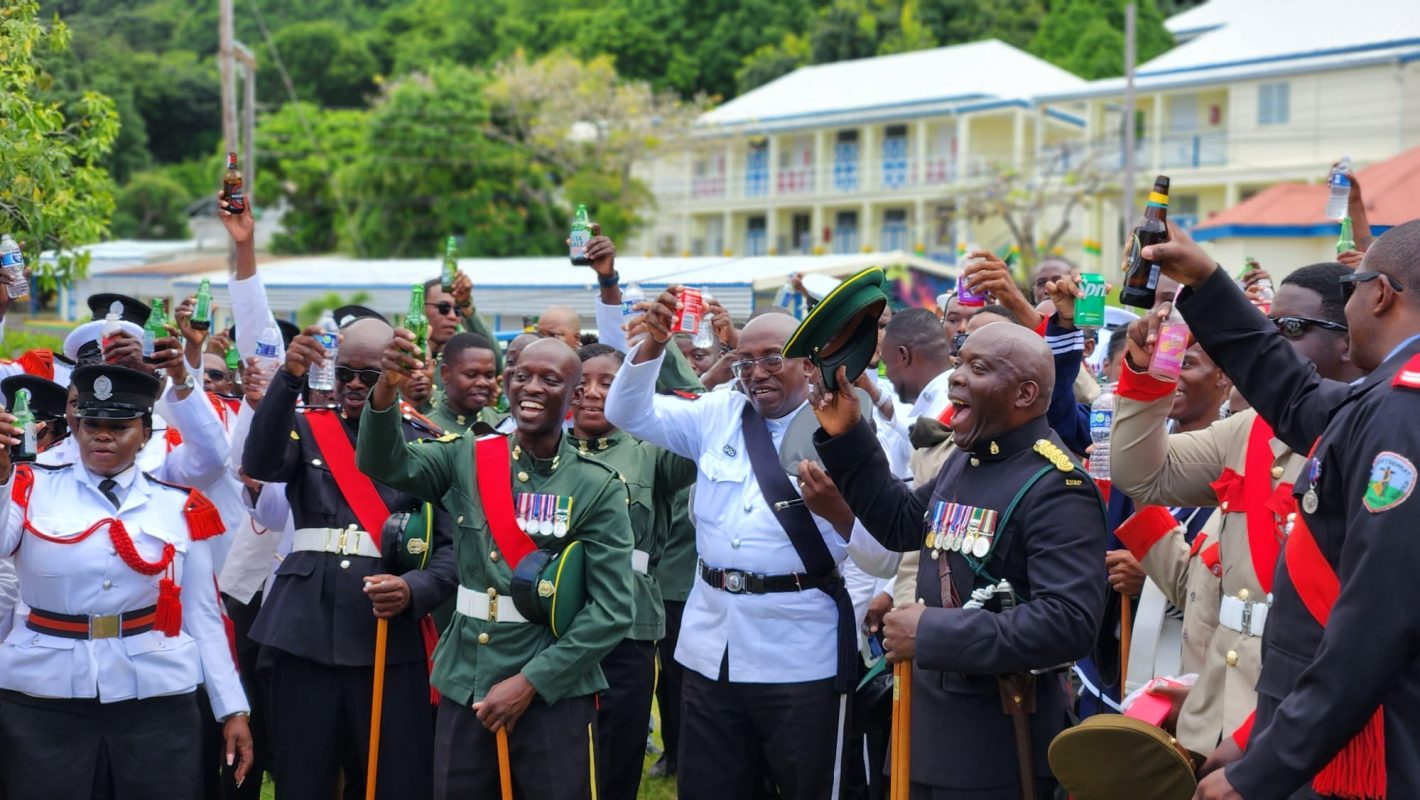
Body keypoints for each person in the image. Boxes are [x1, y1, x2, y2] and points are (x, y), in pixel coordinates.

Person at [1138, 220, 1420, 800]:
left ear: (1381, 293)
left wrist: (1266, 765)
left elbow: (1376, 618)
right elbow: (1295, 395)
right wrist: (1209, 282)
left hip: (1361, 749)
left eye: (1353, 289)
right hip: (1318, 728)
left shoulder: (1403, 412)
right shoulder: (1387, 397)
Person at [605, 288, 899, 800]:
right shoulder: (718, 412)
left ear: (810, 365)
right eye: (745, 360)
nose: (757, 372)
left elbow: (882, 556)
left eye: (773, 359)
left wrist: (838, 511)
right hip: (710, 646)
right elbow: (628, 412)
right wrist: (653, 346)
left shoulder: (849, 430)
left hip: (800, 652)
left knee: (809, 788)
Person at [811, 321, 1107, 798]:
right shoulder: (967, 457)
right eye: (959, 362)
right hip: (929, 726)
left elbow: (1068, 623)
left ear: (1025, 393)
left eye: (979, 368)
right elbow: (903, 522)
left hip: (996, 745)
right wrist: (848, 432)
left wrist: (930, 632)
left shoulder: (1057, 485)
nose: (956, 377)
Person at [357, 333, 635, 799]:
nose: (532, 387)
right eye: (522, 376)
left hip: (553, 687)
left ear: (575, 395)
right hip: (468, 676)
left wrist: (531, 682)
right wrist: (387, 388)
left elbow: (612, 610)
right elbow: (382, 461)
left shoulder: (598, 486)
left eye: (550, 379)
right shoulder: (469, 453)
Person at [1109, 262, 1362, 759]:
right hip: (1217, 713)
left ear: (1349, 340)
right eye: (1266, 328)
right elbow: (1143, 474)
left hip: (1306, 724)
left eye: (1288, 330)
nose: (1265, 345)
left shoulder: (1379, 436)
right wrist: (1148, 375)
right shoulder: (1250, 428)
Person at [0, 364, 253, 797]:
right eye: (92, 424)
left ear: (146, 432)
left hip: (153, 695)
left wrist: (232, 707)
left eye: (119, 426)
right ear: (75, 428)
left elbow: (203, 615)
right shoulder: (27, 487)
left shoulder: (177, 506)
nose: (103, 435)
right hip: (44, 694)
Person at [242, 317, 457, 800]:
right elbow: (258, 464)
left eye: (369, 375)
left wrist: (413, 590)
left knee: (393, 776)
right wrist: (288, 379)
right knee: (303, 775)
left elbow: (452, 548)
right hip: (304, 630)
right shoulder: (306, 427)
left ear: (395, 373)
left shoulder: (430, 442)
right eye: (344, 374)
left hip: (387, 631)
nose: (355, 386)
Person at [569, 343, 695, 800]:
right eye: (581, 382)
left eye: (609, 382)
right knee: (557, 753)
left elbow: (698, 417)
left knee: (618, 753)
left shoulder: (652, 453)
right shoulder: (541, 452)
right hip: (557, 620)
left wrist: (662, 351)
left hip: (629, 622)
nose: (592, 393)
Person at [427, 332, 503, 433]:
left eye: (489, 376)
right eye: (471, 374)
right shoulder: (428, 429)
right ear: (446, 374)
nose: (482, 383)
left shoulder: (503, 425)